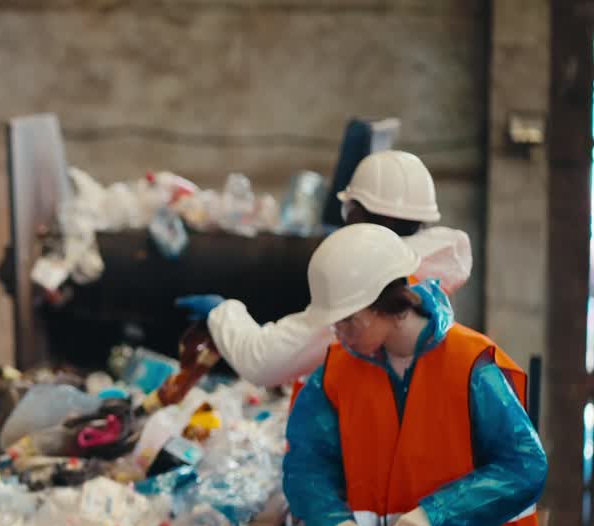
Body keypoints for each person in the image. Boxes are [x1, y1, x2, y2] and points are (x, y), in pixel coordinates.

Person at [282, 223, 574, 526]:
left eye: (349, 320)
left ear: (390, 306)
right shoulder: (337, 369)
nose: (339, 334)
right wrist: (329, 518)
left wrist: (433, 515)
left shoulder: (469, 364)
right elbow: (307, 460)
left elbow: (524, 466)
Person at [177, 150, 472, 388]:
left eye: (350, 211)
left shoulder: (367, 282)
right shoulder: (435, 265)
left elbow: (264, 362)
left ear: (361, 215)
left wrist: (222, 313)